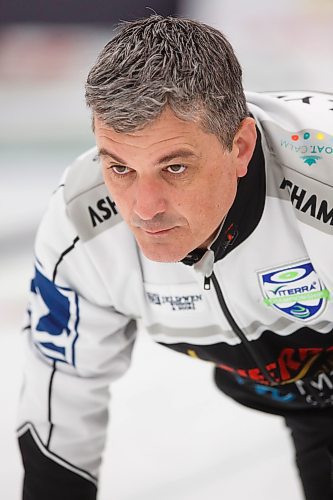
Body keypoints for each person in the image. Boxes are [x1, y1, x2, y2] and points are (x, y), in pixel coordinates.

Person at [17, 14, 333, 500]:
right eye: (119, 167)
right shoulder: (82, 227)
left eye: (176, 166)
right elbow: (62, 404)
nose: (143, 209)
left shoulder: (323, 183)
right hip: (305, 402)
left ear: (240, 146)